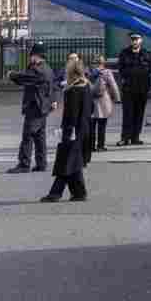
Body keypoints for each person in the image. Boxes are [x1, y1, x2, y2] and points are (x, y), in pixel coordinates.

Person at [40, 54, 95, 202]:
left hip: (73, 131)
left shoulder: (73, 91)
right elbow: (91, 109)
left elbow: (72, 115)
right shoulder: (87, 87)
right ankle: (79, 192)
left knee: (65, 161)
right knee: (73, 162)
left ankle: (55, 193)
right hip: (84, 129)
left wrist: (67, 131)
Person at [7, 43, 56, 173]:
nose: (30, 58)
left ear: (36, 56)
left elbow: (25, 78)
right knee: (39, 136)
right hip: (43, 107)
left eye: (31, 55)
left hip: (35, 106)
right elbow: (53, 86)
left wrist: (12, 75)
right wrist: (53, 101)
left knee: (28, 136)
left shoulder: (38, 70)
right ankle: (41, 163)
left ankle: (24, 164)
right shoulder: (47, 68)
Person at [116, 33, 151, 145]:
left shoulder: (146, 54)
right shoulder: (124, 53)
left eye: (137, 39)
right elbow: (122, 70)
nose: (135, 41)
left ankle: (135, 137)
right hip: (129, 88)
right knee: (127, 114)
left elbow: (149, 70)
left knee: (139, 114)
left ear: (141, 40)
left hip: (142, 89)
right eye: (133, 39)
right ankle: (125, 137)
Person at [88, 54, 120, 152]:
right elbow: (113, 85)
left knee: (91, 126)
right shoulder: (106, 72)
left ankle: (91, 146)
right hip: (103, 101)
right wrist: (117, 98)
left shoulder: (88, 73)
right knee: (102, 125)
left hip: (91, 101)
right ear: (103, 63)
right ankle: (100, 146)